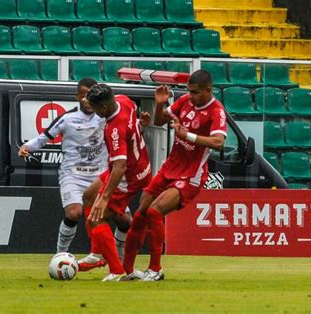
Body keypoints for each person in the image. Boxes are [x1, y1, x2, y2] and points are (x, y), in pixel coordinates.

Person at [121, 69, 227, 281]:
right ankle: (127, 271)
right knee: (141, 214)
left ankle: (156, 269)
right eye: (189, 91)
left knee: (154, 212)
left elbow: (218, 142)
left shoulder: (216, 111)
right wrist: (160, 104)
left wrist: (186, 134)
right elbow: (160, 122)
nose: (191, 96)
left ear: (209, 90)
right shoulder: (185, 102)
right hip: (170, 168)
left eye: (195, 92)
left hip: (190, 175)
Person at [18, 78, 130, 268]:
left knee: (125, 221)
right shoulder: (67, 118)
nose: (86, 99)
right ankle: (60, 255)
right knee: (74, 212)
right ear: (77, 96)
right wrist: (26, 147)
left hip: (101, 175)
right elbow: (43, 138)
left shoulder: (105, 116)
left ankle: (118, 259)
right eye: (83, 95)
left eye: (90, 95)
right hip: (73, 174)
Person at [85, 84, 152, 281]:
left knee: (95, 218)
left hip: (127, 177)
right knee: (89, 196)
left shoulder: (114, 128)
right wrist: (142, 123)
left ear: (104, 108)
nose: (94, 112)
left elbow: (120, 166)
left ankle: (117, 270)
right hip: (140, 166)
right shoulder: (124, 100)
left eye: (95, 108)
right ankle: (98, 252)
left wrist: (105, 197)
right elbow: (132, 126)